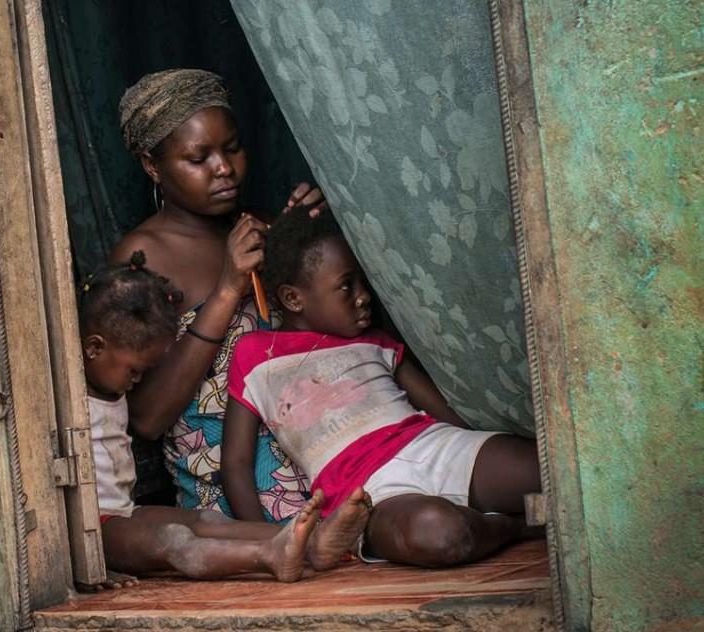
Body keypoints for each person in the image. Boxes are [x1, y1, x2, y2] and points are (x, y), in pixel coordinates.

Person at [222, 206, 543, 567]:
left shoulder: (375, 340)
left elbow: (448, 415)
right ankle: (516, 526)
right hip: (367, 491)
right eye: (346, 286)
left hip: (433, 445)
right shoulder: (255, 355)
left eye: (363, 281)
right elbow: (235, 462)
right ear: (293, 299)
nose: (363, 296)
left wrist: (492, 450)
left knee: (553, 473)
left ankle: (499, 513)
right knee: (441, 535)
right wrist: (270, 544)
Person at [79, 251, 372, 585]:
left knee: (207, 520)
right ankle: (269, 556)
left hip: (123, 517)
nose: (137, 381)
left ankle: (308, 541)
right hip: (95, 530)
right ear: (93, 348)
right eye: (135, 371)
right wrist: (85, 565)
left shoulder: (111, 384)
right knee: (175, 541)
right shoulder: (67, 402)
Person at [111, 68, 324, 523]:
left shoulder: (260, 225)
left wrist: (307, 245)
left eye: (231, 148)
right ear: (153, 166)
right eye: (197, 157)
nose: (224, 168)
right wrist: (229, 287)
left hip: (318, 446)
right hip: (231, 491)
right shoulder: (141, 258)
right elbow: (147, 418)